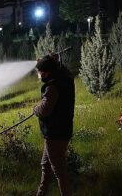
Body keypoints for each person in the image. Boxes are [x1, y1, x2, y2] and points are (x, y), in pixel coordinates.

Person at [33, 55, 75, 196]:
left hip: (54, 134)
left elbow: (44, 110)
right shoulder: (65, 77)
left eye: (41, 72)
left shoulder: (52, 87)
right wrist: (54, 61)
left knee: (59, 172)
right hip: (62, 130)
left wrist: (35, 109)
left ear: (48, 72)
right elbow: (62, 69)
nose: (39, 75)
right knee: (46, 165)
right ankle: (41, 193)